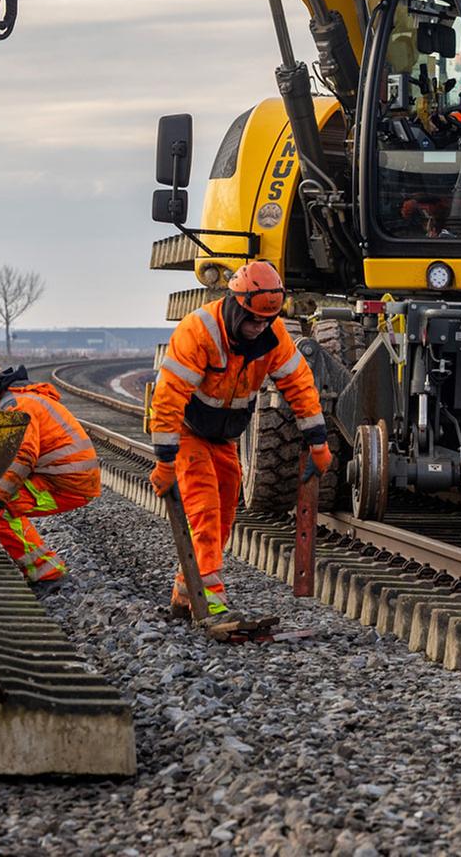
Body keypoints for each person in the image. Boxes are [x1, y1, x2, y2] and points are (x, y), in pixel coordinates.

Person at [147, 260, 331, 642]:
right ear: (236, 305)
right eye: (253, 321)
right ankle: (211, 599)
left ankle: (187, 590)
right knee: (204, 507)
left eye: (267, 320)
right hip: (188, 431)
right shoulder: (198, 332)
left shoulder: (272, 334)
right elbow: (167, 399)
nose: (259, 328)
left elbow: (299, 384)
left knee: (228, 507)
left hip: (224, 436)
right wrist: (165, 461)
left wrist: (318, 442)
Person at [0, 354, 100, 584]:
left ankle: (47, 575)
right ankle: (44, 570)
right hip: (65, 478)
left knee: (1, 509)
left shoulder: (15, 407)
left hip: (68, 484)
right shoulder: (14, 401)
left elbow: (22, 459)